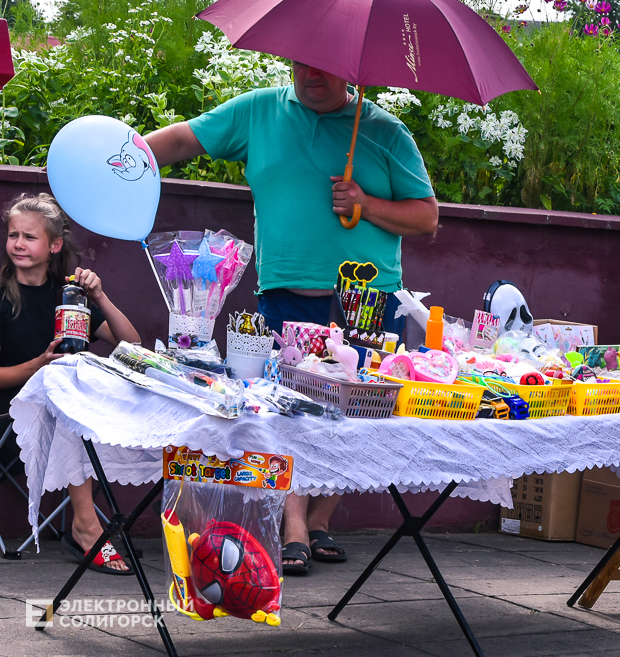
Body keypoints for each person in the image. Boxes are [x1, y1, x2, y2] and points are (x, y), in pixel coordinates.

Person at [145, 62, 439, 575]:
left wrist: (366, 204)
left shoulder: (385, 131)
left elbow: (427, 217)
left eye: (325, 68)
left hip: (366, 300)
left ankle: (321, 519)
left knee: (357, 413)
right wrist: (117, 158)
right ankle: (295, 526)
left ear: (350, 70)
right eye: (303, 65)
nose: (312, 76)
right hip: (285, 296)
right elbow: (178, 142)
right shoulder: (257, 111)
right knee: (286, 413)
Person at [0, 193, 141, 574]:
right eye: (13, 235)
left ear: (54, 245)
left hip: (64, 412)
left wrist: (99, 295)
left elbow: (133, 345)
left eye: (29, 237)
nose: (17, 244)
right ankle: (87, 526)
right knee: (62, 403)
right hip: (8, 420)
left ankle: (89, 524)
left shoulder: (68, 296)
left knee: (81, 403)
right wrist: (38, 366)